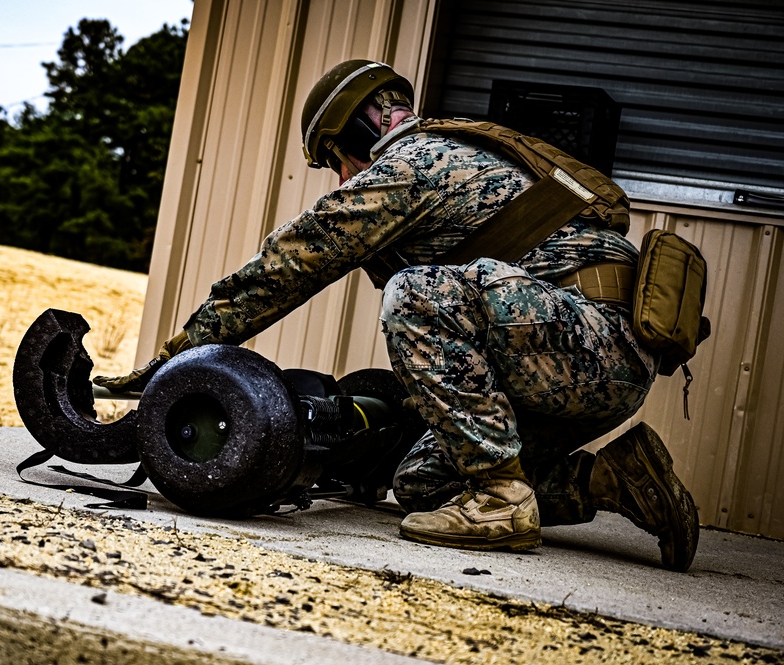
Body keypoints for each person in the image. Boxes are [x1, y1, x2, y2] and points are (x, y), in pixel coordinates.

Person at [95, 60, 699, 571]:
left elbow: (289, 264)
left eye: (337, 159)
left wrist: (176, 358)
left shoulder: (413, 163)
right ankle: (615, 479)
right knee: (422, 486)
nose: (341, 177)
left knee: (415, 294)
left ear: (364, 125)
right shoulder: (455, 153)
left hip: (589, 344)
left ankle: (501, 498)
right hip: (578, 360)